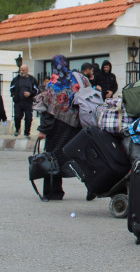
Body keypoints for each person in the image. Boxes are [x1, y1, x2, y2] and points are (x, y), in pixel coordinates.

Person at [36, 55, 88, 200]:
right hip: (77, 125)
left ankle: (53, 192)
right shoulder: (79, 79)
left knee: (53, 158)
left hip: (57, 128)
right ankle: (93, 187)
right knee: (79, 158)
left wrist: (43, 130)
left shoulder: (53, 84)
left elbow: (48, 109)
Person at [9, 64, 39, 137]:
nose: (21, 72)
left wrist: (30, 93)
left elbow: (37, 90)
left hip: (28, 102)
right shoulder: (16, 79)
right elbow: (11, 88)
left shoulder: (32, 79)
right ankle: (17, 129)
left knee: (28, 118)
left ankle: (26, 133)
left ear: (27, 71)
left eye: (23, 70)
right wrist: (13, 95)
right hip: (18, 102)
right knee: (17, 116)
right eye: (21, 70)